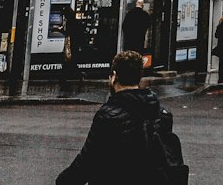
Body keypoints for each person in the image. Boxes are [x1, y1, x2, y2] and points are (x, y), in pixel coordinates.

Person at [56, 49, 187, 184]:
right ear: (138, 78)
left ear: (114, 76)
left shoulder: (109, 116)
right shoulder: (162, 113)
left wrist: (62, 181)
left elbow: (87, 162)